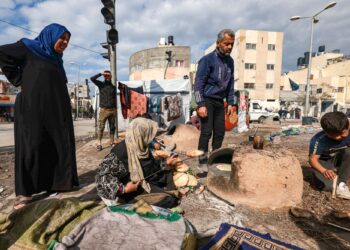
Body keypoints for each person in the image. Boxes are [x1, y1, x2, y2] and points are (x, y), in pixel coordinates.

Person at [0, 23, 79, 209]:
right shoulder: (29, 47)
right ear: (51, 35)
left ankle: (57, 183)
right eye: (63, 38)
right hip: (32, 108)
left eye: (68, 39)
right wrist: (19, 79)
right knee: (31, 144)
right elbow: (2, 53)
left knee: (56, 144)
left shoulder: (57, 60)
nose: (65, 42)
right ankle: (26, 192)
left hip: (57, 109)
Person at [95, 117, 178, 207]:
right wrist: (125, 189)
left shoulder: (142, 147)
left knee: (168, 172)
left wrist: (166, 162)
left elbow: (150, 167)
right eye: (148, 135)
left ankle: (165, 192)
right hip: (131, 189)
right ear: (140, 135)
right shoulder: (120, 153)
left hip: (144, 180)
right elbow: (101, 178)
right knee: (169, 199)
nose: (151, 138)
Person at [193, 29, 235, 169]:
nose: (229, 47)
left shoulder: (230, 62)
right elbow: (198, 83)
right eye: (226, 43)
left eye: (231, 44)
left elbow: (230, 83)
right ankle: (202, 162)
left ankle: (214, 160)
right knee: (206, 132)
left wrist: (230, 102)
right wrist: (201, 104)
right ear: (218, 43)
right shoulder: (207, 60)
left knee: (220, 133)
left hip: (219, 102)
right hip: (207, 100)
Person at [309, 111, 350, 199]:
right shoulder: (318, 140)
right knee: (326, 187)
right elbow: (313, 160)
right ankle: (318, 176)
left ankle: (342, 183)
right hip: (324, 160)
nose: (340, 137)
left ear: (348, 126)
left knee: (348, 151)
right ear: (326, 132)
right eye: (335, 136)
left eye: (343, 134)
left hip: (341, 157)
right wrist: (324, 171)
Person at [90, 70, 116, 151]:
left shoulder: (113, 87)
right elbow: (92, 78)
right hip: (103, 111)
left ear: (111, 76)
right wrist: (101, 74)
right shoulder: (101, 85)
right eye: (106, 75)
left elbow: (114, 99)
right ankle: (99, 143)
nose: (107, 76)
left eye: (108, 75)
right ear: (104, 76)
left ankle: (112, 142)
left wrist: (115, 109)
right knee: (101, 127)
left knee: (112, 127)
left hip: (112, 110)